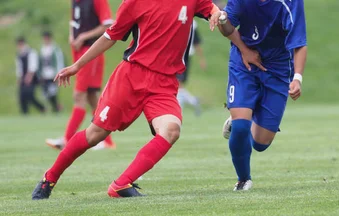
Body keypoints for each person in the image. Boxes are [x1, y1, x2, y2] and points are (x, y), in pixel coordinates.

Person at [31, 0, 223, 199]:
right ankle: (49, 178)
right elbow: (109, 36)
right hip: (131, 77)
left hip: (164, 84)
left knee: (171, 130)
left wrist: (216, 12)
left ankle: (121, 184)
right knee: (95, 135)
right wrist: (77, 66)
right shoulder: (134, 2)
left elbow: (210, 8)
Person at [218, 0, 307, 191]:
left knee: (261, 143)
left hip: (277, 67)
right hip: (244, 62)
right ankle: (243, 179)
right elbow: (227, 28)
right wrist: (224, 22)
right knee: (242, 126)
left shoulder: (290, 3)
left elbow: (299, 42)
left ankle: (241, 122)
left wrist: (297, 78)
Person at [45, 0, 116, 150]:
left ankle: (66, 139)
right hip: (79, 52)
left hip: (91, 52)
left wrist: (83, 37)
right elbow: (74, 22)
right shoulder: (75, 2)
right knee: (92, 98)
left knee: (79, 96)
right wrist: (72, 36)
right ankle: (108, 142)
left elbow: (107, 25)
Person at [177, 19, 206, 116]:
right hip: (179, 55)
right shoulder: (192, 22)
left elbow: (196, 42)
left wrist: (201, 59)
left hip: (183, 56)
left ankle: (178, 109)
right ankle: (194, 101)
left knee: (178, 84)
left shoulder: (190, 22)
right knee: (177, 84)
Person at [15, 36, 46, 115]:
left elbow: (33, 66)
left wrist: (29, 77)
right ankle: (24, 113)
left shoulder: (31, 52)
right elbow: (19, 67)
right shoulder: (19, 54)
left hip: (32, 78)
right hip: (23, 78)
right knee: (22, 97)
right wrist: (19, 78)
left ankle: (42, 108)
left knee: (30, 95)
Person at [39, 31, 64, 113]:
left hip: (53, 75)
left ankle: (56, 108)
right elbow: (41, 63)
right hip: (45, 75)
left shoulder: (55, 49)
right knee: (46, 94)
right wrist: (40, 74)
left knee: (53, 93)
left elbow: (59, 61)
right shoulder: (42, 49)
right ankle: (56, 107)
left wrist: (59, 73)